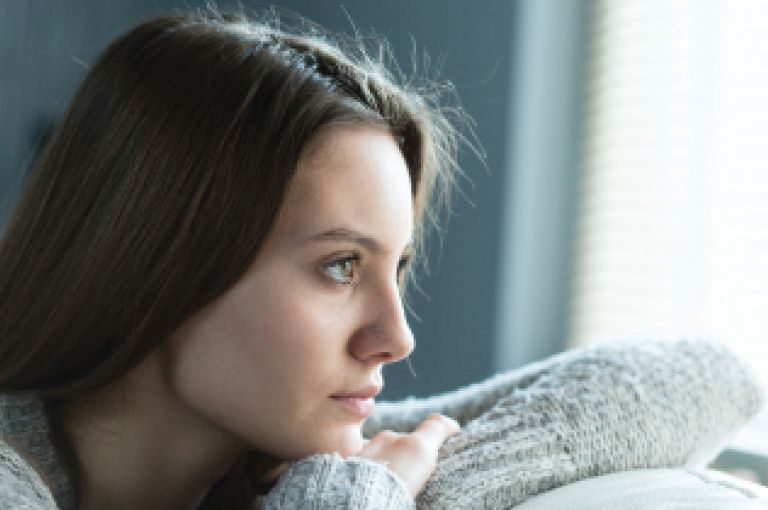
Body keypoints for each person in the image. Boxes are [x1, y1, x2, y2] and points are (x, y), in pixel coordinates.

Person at [1, 8, 765, 510]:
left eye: (396, 268)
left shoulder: (286, 453)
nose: (396, 337)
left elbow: (706, 373)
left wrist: (389, 484)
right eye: (340, 265)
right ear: (155, 263)